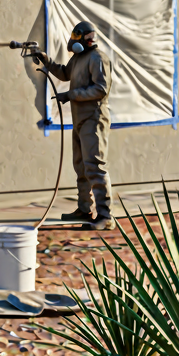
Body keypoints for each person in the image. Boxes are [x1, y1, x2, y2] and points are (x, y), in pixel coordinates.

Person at [33, 21, 115, 230]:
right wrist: (46, 61)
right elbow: (64, 74)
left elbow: (100, 90)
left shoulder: (98, 59)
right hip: (79, 120)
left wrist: (71, 95)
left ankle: (105, 217)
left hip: (94, 119)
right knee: (81, 167)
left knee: (95, 166)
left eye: (81, 38)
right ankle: (85, 209)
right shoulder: (78, 58)